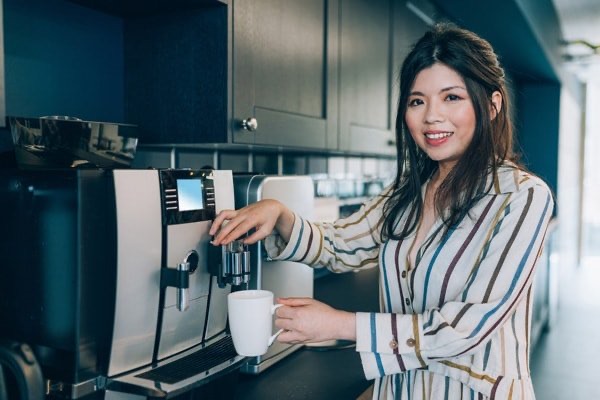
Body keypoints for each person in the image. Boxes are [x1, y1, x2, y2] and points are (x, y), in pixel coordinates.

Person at [210, 22, 554, 399]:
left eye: (451, 97)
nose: (431, 117)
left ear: (491, 105)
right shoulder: (408, 192)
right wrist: (280, 213)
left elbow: (467, 329)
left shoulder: (523, 197)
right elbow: (340, 244)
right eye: (416, 100)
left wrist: (339, 325)